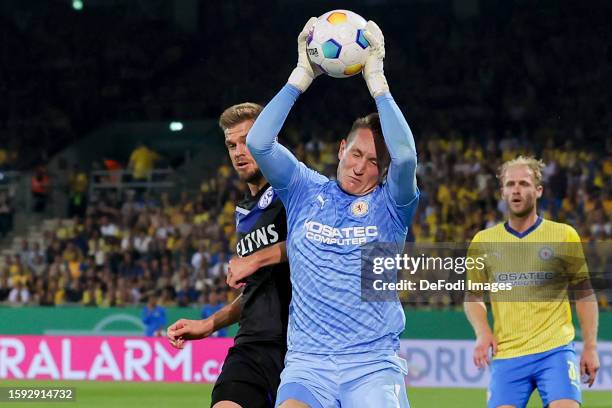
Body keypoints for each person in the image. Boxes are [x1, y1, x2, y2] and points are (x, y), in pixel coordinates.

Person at [244, 18, 418, 408]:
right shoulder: (304, 188)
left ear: (383, 170)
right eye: (355, 154)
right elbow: (258, 142)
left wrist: (377, 80)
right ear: (341, 148)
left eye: (373, 162)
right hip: (308, 365)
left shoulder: (392, 206)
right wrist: (301, 75)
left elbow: (406, 155)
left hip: (372, 366)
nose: (359, 167)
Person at [167, 103, 291, 408]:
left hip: (302, 348)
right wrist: (209, 324)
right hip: (251, 345)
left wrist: (257, 258)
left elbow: (317, 243)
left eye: (247, 141)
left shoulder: (294, 191)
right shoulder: (245, 212)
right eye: (231, 145)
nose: (238, 152)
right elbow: (257, 288)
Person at [464, 156, 600, 408]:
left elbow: (584, 294)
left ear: (538, 190)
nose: (516, 189)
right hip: (508, 354)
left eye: (524, 183)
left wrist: (590, 346)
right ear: (503, 192)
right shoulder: (483, 242)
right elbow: (473, 297)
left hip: (555, 350)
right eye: (510, 184)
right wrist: (483, 333)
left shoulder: (563, 235)